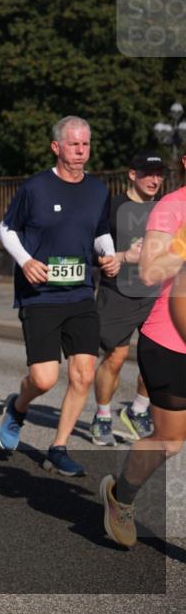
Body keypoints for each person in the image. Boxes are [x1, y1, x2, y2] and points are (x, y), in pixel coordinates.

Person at [0, 116, 119, 477]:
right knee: (45, 379)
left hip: (80, 293)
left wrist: (108, 254)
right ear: (57, 147)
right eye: (74, 144)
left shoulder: (97, 191)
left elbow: (100, 232)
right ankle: (18, 407)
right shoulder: (35, 188)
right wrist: (26, 260)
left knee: (83, 374)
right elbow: (7, 229)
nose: (81, 151)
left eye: (86, 144)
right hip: (40, 294)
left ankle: (59, 447)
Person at [99, 179, 186, 548]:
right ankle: (121, 497)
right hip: (171, 342)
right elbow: (150, 271)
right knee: (169, 442)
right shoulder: (171, 207)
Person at [90, 152, 166, 446]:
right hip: (117, 292)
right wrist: (122, 256)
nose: (155, 180)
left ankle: (137, 410)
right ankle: (103, 415)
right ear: (132, 174)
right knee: (116, 357)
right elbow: (93, 248)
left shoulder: (163, 208)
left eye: (159, 174)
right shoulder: (111, 206)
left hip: (155, 293)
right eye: (148, 173)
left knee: (158, 359)